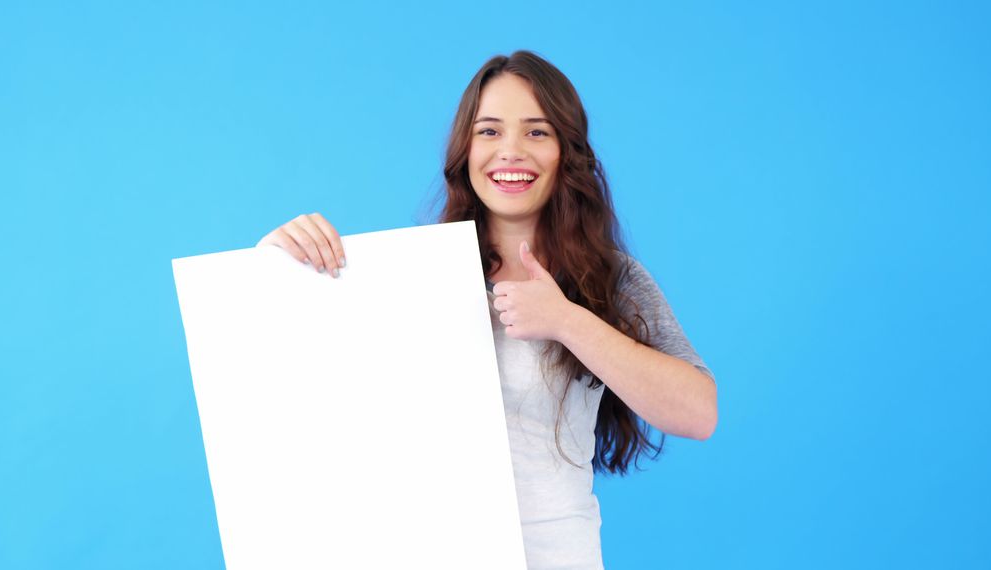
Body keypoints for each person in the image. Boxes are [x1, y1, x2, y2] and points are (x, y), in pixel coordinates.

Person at [256, 50, 717, 570]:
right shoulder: (411, 275)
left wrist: (567, 320)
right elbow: (301, 405)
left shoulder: (612, 279)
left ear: (568, 150)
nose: (511, 152)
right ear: (464, 150)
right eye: (490, 131)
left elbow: (698, 413)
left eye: (537, 132)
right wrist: (274, 273)